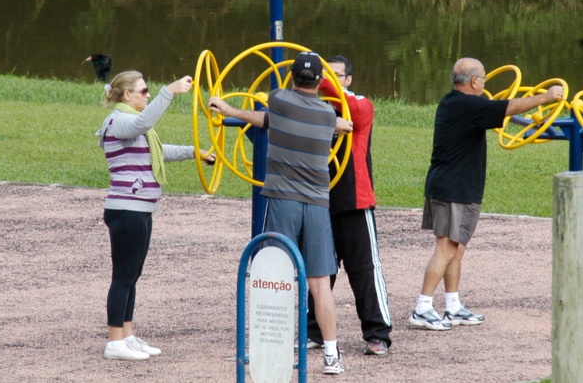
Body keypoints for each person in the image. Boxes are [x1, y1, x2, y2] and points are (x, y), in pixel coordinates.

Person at [208, 52, 353, 375]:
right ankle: (332, 354)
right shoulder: (328, 114)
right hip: (317, 203)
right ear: (320, 81)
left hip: (282, 199)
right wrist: (340, 124)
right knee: (319, 283)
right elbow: (271, 120)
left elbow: (265, 115)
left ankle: (276, 346)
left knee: (276, 274)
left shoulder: (278, 99)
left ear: (291, 79)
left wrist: (229, 109)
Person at [410, 57, 564, 331]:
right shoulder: (467, 105)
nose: (484, 82)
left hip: (458, 186)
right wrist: (547, 97)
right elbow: (509, 107)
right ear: (474, 82)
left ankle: (453, 306)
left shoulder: (456, 102)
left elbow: (499, 109)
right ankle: (422, 308)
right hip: (451, 188)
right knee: (446, 248)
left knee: (456, 249)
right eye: (483, 78)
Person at [96, 70, 215, 360]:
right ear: (127, 95)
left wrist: (194, 152)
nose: (147, 95)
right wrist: (168, 91)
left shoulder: (133, 125)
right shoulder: (120, 121)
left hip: (140, 210)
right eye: (144, 91)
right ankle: (114, 341)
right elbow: (143, 122)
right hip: (126, 210)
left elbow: (158, 152)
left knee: (132, 275)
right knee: (123, 276)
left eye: (149, 91)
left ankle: (127, 335)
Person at [305, 55, 392, 356]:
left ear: (348, 79)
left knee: (364, 270)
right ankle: (314, 331)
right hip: (319, 200)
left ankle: (378, 333)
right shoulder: (313, 107)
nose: (328, 80)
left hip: (355, 200)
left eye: (335, 74)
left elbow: (352, 107)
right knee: (319, 271)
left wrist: (315, 71)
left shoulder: (361, 104)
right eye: (324, 75)